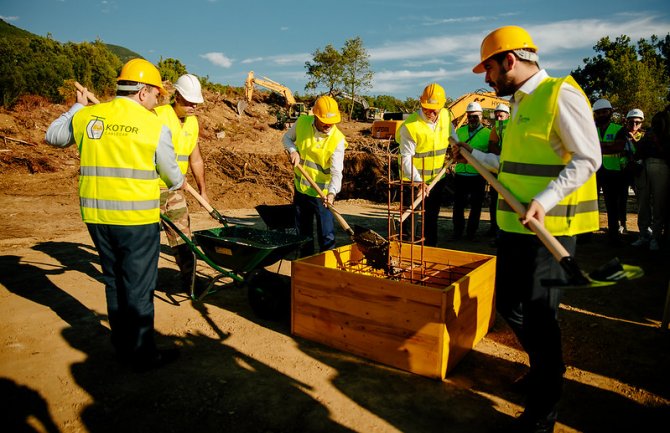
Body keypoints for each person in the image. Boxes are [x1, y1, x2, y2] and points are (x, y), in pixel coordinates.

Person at [454, 25, 601, 433]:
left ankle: (543, 413)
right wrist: (474, 153)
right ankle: (547, 364)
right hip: (517, 229)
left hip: (549, 229)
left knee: (540, 317)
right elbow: (512, 165)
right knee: (510, 305)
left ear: (510, 61)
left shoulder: (560, 95)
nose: (486, 79)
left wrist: (545, 200)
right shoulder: (519, 104)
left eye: (489, 69)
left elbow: (588, 158)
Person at [45, 59, 185, 372]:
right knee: (138, 287)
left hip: (96, 217)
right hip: (136, 220)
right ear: (143, 92)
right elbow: (172, 177)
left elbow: (52, 137)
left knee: (114, 281)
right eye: (156, 94)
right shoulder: (153, 125)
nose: (157, 100)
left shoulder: (89, 116)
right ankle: (142, 355)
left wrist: (75, 109)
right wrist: (178, 180)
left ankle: (123, 346)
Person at [155, 74, 208, 292]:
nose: (193, 106)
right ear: (176, 96)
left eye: (196, 102)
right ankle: (140, 282)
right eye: (188, 101)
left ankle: (191, 282)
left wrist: (203, 191)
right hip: (149, 189)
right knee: (145, 241)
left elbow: (195, 158)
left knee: (183, 240)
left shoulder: (193, 123)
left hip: (176, 190)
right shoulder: (158, 116)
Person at [283, 95, 347, 256]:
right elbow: (286, 138)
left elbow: (336, 172)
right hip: (301, 189)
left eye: (331, 122)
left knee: (326, 235)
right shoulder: (303, 122)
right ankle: (306, 268)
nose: (328, 125)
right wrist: (293, 151)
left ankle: (327, 270)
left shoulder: (337, 140)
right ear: (316, 116)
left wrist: (332, 193)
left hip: (323, 194)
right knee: (303, 236)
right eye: (324, 121)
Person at [395, 83, 451, 246]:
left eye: (435, 109)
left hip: (436, 180)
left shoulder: (446, 116)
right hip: (412, 182)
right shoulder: (410, 127)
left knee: (431, 221)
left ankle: (429, 252)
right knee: (411, 224)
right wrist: (419, 182)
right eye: (427, 108)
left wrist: (457, 147)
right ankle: (406, 255)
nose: (431, 113)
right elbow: (406, 158)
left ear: (443, 105)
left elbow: (452, 135)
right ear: (421, 102)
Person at [632, 109, 670, 250]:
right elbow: (639, 152)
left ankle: (655, 237)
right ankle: (644, 235)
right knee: (644, 203)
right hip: (645, 167)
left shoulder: (663, 136)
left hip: (660, 166)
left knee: (658, 205)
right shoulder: (649, 134)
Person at [453, 101, 491, 240]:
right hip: (460, 173)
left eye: (475, 116)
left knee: (476, 207)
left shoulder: (488, 133)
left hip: (477, 175)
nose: (472, 119)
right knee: (458, 206)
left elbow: (490, 155)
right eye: (470, 116)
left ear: (481, 116)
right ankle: (457, 232)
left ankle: (471, 234)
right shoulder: (460, 131)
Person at [593, 98, 626, 244]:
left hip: (612, 171)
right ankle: (586, 232)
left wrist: (597, 145)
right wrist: (607, 145)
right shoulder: (591, 129)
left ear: (610, 112)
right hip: (594, 171)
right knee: (590, 203)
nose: (601, 115)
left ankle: (614, 234)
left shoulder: (619, 129)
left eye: (604, 112)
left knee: (612, 204)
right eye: (598, 113)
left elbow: (618, 147)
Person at [487, 103, 510, 238]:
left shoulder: (512, 126)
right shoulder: (496, 128)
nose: (499, 119)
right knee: (495, 201)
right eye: (496, 117)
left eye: (501, 116)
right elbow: (492, 146)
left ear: (507, 115)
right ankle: (495, 228)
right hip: (497, 169)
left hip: (506, 168)